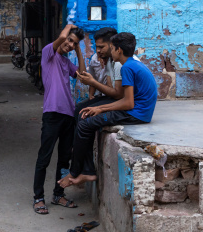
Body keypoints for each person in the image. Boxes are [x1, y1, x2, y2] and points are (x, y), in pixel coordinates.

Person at [58, 32, 157, 188]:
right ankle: (86, 169)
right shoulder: (131, 64)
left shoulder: (126, 68)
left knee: (84, 124)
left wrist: (100, 108)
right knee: (86, 116)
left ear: (118, 50)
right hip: (139, 110)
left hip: (136, 113)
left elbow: (128, 103)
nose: (109, 51)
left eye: (111, 48)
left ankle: (76, 171)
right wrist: (99, 108)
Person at [33, 24, 86, 214]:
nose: (70, 44)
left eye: (74, 43)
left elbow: (82, 73)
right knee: (44, 158)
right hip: (52, 115)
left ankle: (58, 194)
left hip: (68, 115)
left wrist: (79, 49)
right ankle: (38, 197)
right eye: (69, 40)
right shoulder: (49, 53)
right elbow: (61, 39)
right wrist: (68, 27)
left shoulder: (65, 62)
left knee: (64, 158)